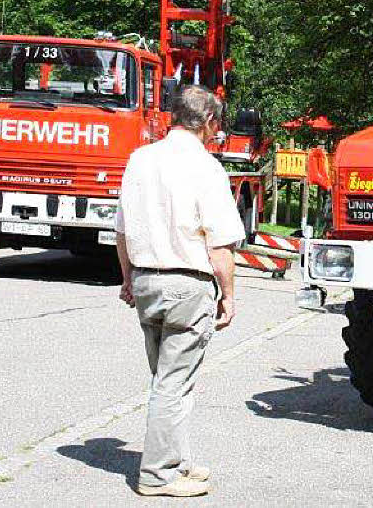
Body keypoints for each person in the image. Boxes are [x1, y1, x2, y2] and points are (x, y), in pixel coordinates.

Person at [115, 84, 245, 497]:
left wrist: (127, 278)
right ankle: (158, 475)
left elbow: (121, 231)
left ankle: (178, 461)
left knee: (168, 379)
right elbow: (220, 243)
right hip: (187, 285)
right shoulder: (207, 168)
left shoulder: (139, 159)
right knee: (174, 383)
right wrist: (228, 294)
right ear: (209, 122)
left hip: (146, 280)